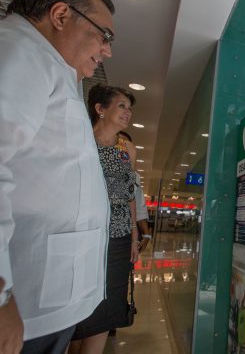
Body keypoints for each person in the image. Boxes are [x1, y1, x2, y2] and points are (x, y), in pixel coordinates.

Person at [0, 0, 114, 354]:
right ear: (62, 15)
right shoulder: (18, 49)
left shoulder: (54, 67)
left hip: (46, 298)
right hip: (23, 302)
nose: (107, 51)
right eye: (104, 35)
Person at [68, 84, 139, 354]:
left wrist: (134, 235)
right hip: (83, 236)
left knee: (107, 308)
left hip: (118, 239)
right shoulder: (79, 141)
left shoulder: (127, 151)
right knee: (77, 307)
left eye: (129, 108)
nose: (127, 112)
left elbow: (130, 194)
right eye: (121, 106)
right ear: (100, 109)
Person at [120, 131, 152, 252]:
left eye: (126, 145)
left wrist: (146, 235)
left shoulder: (135, 177)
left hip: (126, 235)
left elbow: (139, 208)